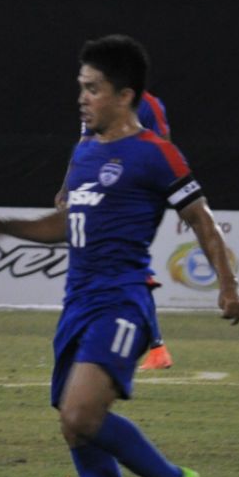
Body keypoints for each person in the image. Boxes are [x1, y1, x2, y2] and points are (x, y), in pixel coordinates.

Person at [0, 35, 239, 477]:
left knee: (82, 411)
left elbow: (203, 221)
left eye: (93, 89)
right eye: (80, 87)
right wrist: (10, 227)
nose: (82, 98)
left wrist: (228, 285)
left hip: (122, 301)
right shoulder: (83, 151)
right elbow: (66, 226)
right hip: (77, 303)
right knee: (74, 427)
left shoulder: (154, 154)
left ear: (125, 96)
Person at [59, 90, 176, 373]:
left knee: (127, 266)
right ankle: (147, 345)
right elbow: (84, 144)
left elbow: (165, 148)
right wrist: (67, 186)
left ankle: (155, 346)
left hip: (132, 195)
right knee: (105, 265)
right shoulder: (97, 105)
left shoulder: (147, 104)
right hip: (98, 191)